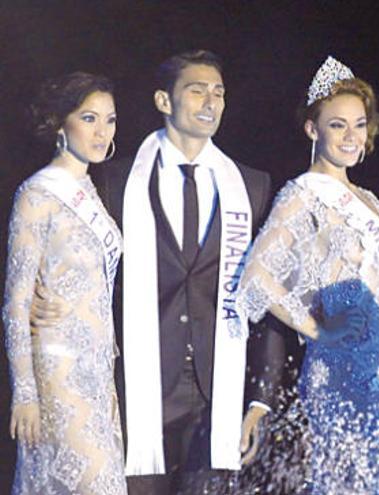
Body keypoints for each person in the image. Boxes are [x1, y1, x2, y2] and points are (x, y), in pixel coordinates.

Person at [74, 50, 280, 494]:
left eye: (219, 92)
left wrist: (261, 400)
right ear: (164, 101)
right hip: (137, 391)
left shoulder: (251, 185)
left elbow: (265, 298)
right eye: (197, 90)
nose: (211, 102)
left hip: (218, 392)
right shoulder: (115, 181)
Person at [236, 56, 379, 493]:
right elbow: (254, 280)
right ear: (312, 129)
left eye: (359, 124)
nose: (351, 136)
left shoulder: (369, 200)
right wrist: (317, 330)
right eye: (338, 125)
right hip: (341, 374)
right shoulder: (301, 196)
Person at [4, 72, 126, 493]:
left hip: (96, 373)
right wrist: (24, 394)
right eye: (89, 118)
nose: (101, 131)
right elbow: (16, 302)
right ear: (61, 123)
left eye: (109, 120)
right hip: (56, 372)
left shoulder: (92, 189)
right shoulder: (37, 194)